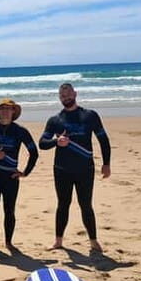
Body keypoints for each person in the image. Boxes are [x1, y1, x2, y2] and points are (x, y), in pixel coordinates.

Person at [39, 83, 111, 252]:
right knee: (63, 204)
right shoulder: (55, 120)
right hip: (62, 169)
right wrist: (56, 141)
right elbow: (42, 143)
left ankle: (93, 241)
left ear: (75, 94)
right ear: (59, 98)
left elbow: (103, 140)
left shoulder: (90, 115)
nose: (66, 97)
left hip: (85, 168)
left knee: (86, 204)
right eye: (63, 96)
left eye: (69, 94)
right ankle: (58, 241)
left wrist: (106, 164)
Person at [0, 98, 39, 250]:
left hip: (11, 177)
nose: (5, 111)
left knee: (9, 210)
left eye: (8, 108)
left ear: (13, 112)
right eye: (2, 109)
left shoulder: (20, 131)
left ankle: (8, 242)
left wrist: (25, 172)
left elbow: (34, 153)